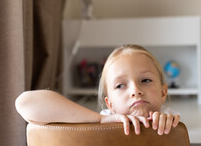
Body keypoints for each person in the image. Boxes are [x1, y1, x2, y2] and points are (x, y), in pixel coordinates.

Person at [16, 44, 180, 135]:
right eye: (120, 85)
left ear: (163, 92)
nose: (135, 90)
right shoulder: (102, 121)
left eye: (145, 80)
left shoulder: (168, 122)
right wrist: (99, 120)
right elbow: (25, 103)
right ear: (110, 105)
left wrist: (169, 127)